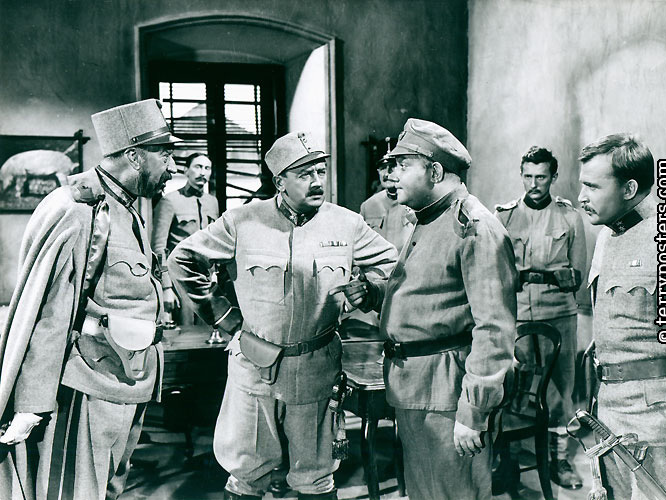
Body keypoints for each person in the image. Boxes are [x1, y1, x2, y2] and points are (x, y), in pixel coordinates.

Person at [167, 131, 398, 500]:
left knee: (316, 477)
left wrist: (370, 289)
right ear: (280, 182)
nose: (317, 181)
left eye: (321, 171)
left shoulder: (346, 224)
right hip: (254, 368)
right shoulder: (242, 220)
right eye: (304, 174)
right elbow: (182, 260)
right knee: (247, 474)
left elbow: (394, 266)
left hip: (316, 369)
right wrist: (224, 318)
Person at [0, 98, 178, 499]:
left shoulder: (126, 208)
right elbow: (49, 311)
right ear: (134, 156)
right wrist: (32, 402)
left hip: (125, 383)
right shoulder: (78, 210)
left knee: (107, 491)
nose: (172, 167)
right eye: (165, 155)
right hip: (85, 388)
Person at [379, 118, 517, 500]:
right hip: (419, 389)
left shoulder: (475, 228)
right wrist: (376, 295)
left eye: (403, 165)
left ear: (435, 172)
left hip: (447, 396)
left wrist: (473, 411)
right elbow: (431, 296)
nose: (393, 175)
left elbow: (494, 329)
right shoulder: (429, 219)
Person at [578, 133, 666, 499]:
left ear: (629, 189)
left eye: (592, 187)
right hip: (609, 418)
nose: (581, 196)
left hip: (661, 425)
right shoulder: (607, 236)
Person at [495, 146, 586, 489]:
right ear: (521, 175)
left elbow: (577, 273)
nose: (534, 184)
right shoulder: (503, 217)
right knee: (511, 385)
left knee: (560, 389)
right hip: (517, 314)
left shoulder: (569, 217)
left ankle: (559, 460)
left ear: (553, 177)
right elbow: (496, 270)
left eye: (541, 177)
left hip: (558, 314)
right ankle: (508, 461)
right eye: (528, 176)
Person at [152, 152, 219, 325]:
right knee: (186, 332)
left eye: (207, 168)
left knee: (209, 331)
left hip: (206, 282)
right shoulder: (169, 201)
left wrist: (215, 274)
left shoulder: (212, 202)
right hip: (180, 281)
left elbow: (215, 243)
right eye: (198, 167)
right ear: (186, 170)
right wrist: (166, 287)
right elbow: (158, 247)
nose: (202, 172)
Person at [360, 153, 413, 254]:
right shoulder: (368, 206)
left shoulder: (415, 202)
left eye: (392, 167)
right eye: (383, 168)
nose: (386, 174)